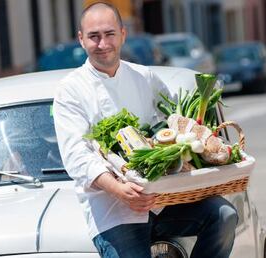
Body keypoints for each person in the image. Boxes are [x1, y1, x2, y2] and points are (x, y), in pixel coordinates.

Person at [53, 2, 238, 258]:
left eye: (109, 34)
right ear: (81, 40)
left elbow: (174, 120)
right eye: (94, 36)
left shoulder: (144, 77)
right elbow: (76, 156)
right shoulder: (70, 90)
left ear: (123, 34)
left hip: (164, 200)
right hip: (113, 210)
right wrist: (120, 190)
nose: (103, 43)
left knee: (224, 216)